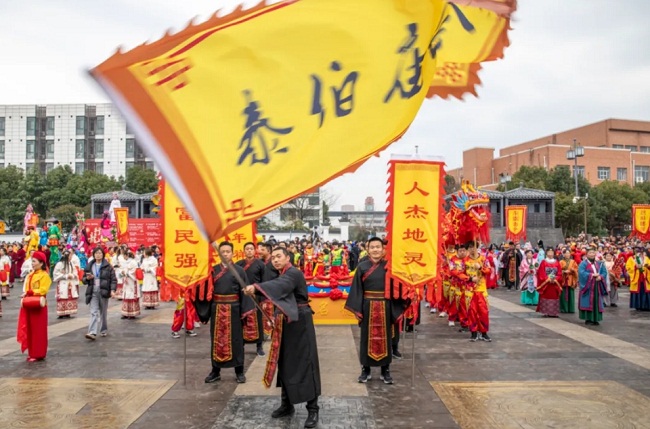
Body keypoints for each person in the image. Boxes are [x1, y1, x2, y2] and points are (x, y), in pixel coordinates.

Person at [243, 247, 321, 429]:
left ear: (288, 258)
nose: (276, 260)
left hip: (300, 322)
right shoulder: (281, 274)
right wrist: (256, 292)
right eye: (274, 258)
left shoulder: (293, 273)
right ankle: (287, 404)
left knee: (305, 363)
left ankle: (313, 409)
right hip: (284, 321)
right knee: (285, 362)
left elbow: (281, 286)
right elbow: (275, 291)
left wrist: (255, 287)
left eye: (279, 257)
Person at [345, 237, 407, 384]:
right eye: (372, 247)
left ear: (383, 249)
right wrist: (358, 309)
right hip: (367, 306)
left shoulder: (389, 266)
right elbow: (357, 289)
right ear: (368, 249)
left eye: (378, 247)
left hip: (386, 305)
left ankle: (385, 370)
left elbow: (396, 287)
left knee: (386, 338)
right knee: (366, 338)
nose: (375, 249)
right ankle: (365, 370)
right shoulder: (362, 266)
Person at [202, 242, 252, 384]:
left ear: (233, 253)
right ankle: (215, 371)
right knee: (216, 341)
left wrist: (245, 311)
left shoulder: (239, 271)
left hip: (234, 309)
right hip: (217, 309)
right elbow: (206, 291)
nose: (225, 254)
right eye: (222, 252)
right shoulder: (213, 270)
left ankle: (239, 371)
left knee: (236, 340)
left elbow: (245, 292)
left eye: (228, 251)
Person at [17, 251, 51, 361]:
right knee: (30, 329)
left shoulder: (44, 275)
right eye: (32, 261)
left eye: (34, 261)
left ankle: (38, 353)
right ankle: (32, 353)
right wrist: (26, 293)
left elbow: (43, 289)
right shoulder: (30, 275)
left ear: (41, 263)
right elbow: (26, 288)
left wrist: (31, 292)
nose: (32, 263)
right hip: (30, 304)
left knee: (39, 330)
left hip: (39, 306)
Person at [236, 242, 266, 356]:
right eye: (247, 249)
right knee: (243, 320)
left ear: (255, 251)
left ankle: (259, 346)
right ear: (244, 251)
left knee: (258, 321)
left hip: (256, 296)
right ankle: (242, 344)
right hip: (243, 296)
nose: (249, 251)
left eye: (251, 249)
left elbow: (264, 282)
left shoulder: (260, 264)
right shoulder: (239, 264)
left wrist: (262, 298)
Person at [84, 247, 117, 339]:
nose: (98, 255)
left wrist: (112, 290)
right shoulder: (90, 266)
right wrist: (87, 278)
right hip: (93, 290)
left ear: (103, 254)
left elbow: (113, 279)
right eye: (96, 253)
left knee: (103, 312)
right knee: (93, 312)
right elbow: (83, 279)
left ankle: (103, 330)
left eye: (100, 253)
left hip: (103, 290)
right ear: (93, 255)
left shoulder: (108, 266)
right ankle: (92, 332)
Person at [465, 241, 492, 342]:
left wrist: (480, 267)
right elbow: (458, 274)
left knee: (483, 312)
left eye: (474, 247)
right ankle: (474, 332)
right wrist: (470, 279)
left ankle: (484, 332)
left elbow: (489, 270)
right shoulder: (465, 260)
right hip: (470, 290)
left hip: (481, 290)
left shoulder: (483, 259)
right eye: (470, 247)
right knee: (472, 312)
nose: (472, 249)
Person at [578, 247, 608, 325]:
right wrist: (592, 275)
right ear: (586, 254)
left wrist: (600, 277)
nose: (592, 254)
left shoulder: (599, 263)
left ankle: (596, 318)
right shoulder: (583, 264)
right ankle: (588, 318)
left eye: (593, 252)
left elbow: (604, 272)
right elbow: (581, 273)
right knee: (588, 301)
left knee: (597, 301)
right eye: (590, 253)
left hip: (597, 286)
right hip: (588, 286)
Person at [536, 248, 563, 317]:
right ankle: (546, 312)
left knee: (554, 297)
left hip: (554, 283)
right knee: (545, 296)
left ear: (554, 253)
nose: (550, 254)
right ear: (546, 253)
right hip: (546, 283)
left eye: (552, 252)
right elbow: (541, 273)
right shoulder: (543, 262)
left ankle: (554, 312)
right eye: (549, 252)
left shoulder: (557, 262)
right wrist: (547, 279)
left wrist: (555, 279)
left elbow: (559, 273)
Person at [53, 249, 80, 318]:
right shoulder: (60, 264)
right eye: (69, 255)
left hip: (70, 283)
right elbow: (55, 274)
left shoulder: (71, 264)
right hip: (63, 282)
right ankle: (61, 313)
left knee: (69, 296)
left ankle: (68, 311)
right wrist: (65, 276)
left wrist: (73, 275)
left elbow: (75, 272)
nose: (70, 257)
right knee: (62, 296)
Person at [625, 246, 650, 311]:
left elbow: (649, 266)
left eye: (640, 251)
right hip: (636, 277)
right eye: (636, 251)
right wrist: (635, 267)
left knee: (645, 291)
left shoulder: (646, 258)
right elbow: (628, 267)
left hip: (645, 277)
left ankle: (646, 306)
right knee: (638, 291)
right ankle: (638, 306)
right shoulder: (631, 258)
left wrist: (647, 267)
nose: (638, 253)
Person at [120, 249, 140, 319]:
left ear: (126, 255)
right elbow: (125, 270)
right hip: (127, 281)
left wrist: (126, 273)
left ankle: (132, 313)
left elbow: (134, 271)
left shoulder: (133, 262)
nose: (123, 257)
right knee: (126, 295)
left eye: (124, 256)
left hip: (132, 281)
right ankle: (125, 312)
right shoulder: (127, 262)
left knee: (131, 296)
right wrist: (123, 272)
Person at [559, 249, 578, 313]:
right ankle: (564, 308)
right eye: (566, 253)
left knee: (571, 294)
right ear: (563, 254)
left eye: (568, 253)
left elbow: (576, 269)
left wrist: (573, 270)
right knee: (563, 294)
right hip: (563, 279)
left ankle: (571, 309)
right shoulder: (561, 262)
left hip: (571, 279)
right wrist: (563, 271)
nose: (567, 255)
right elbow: (558, 271)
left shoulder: (573, 262)